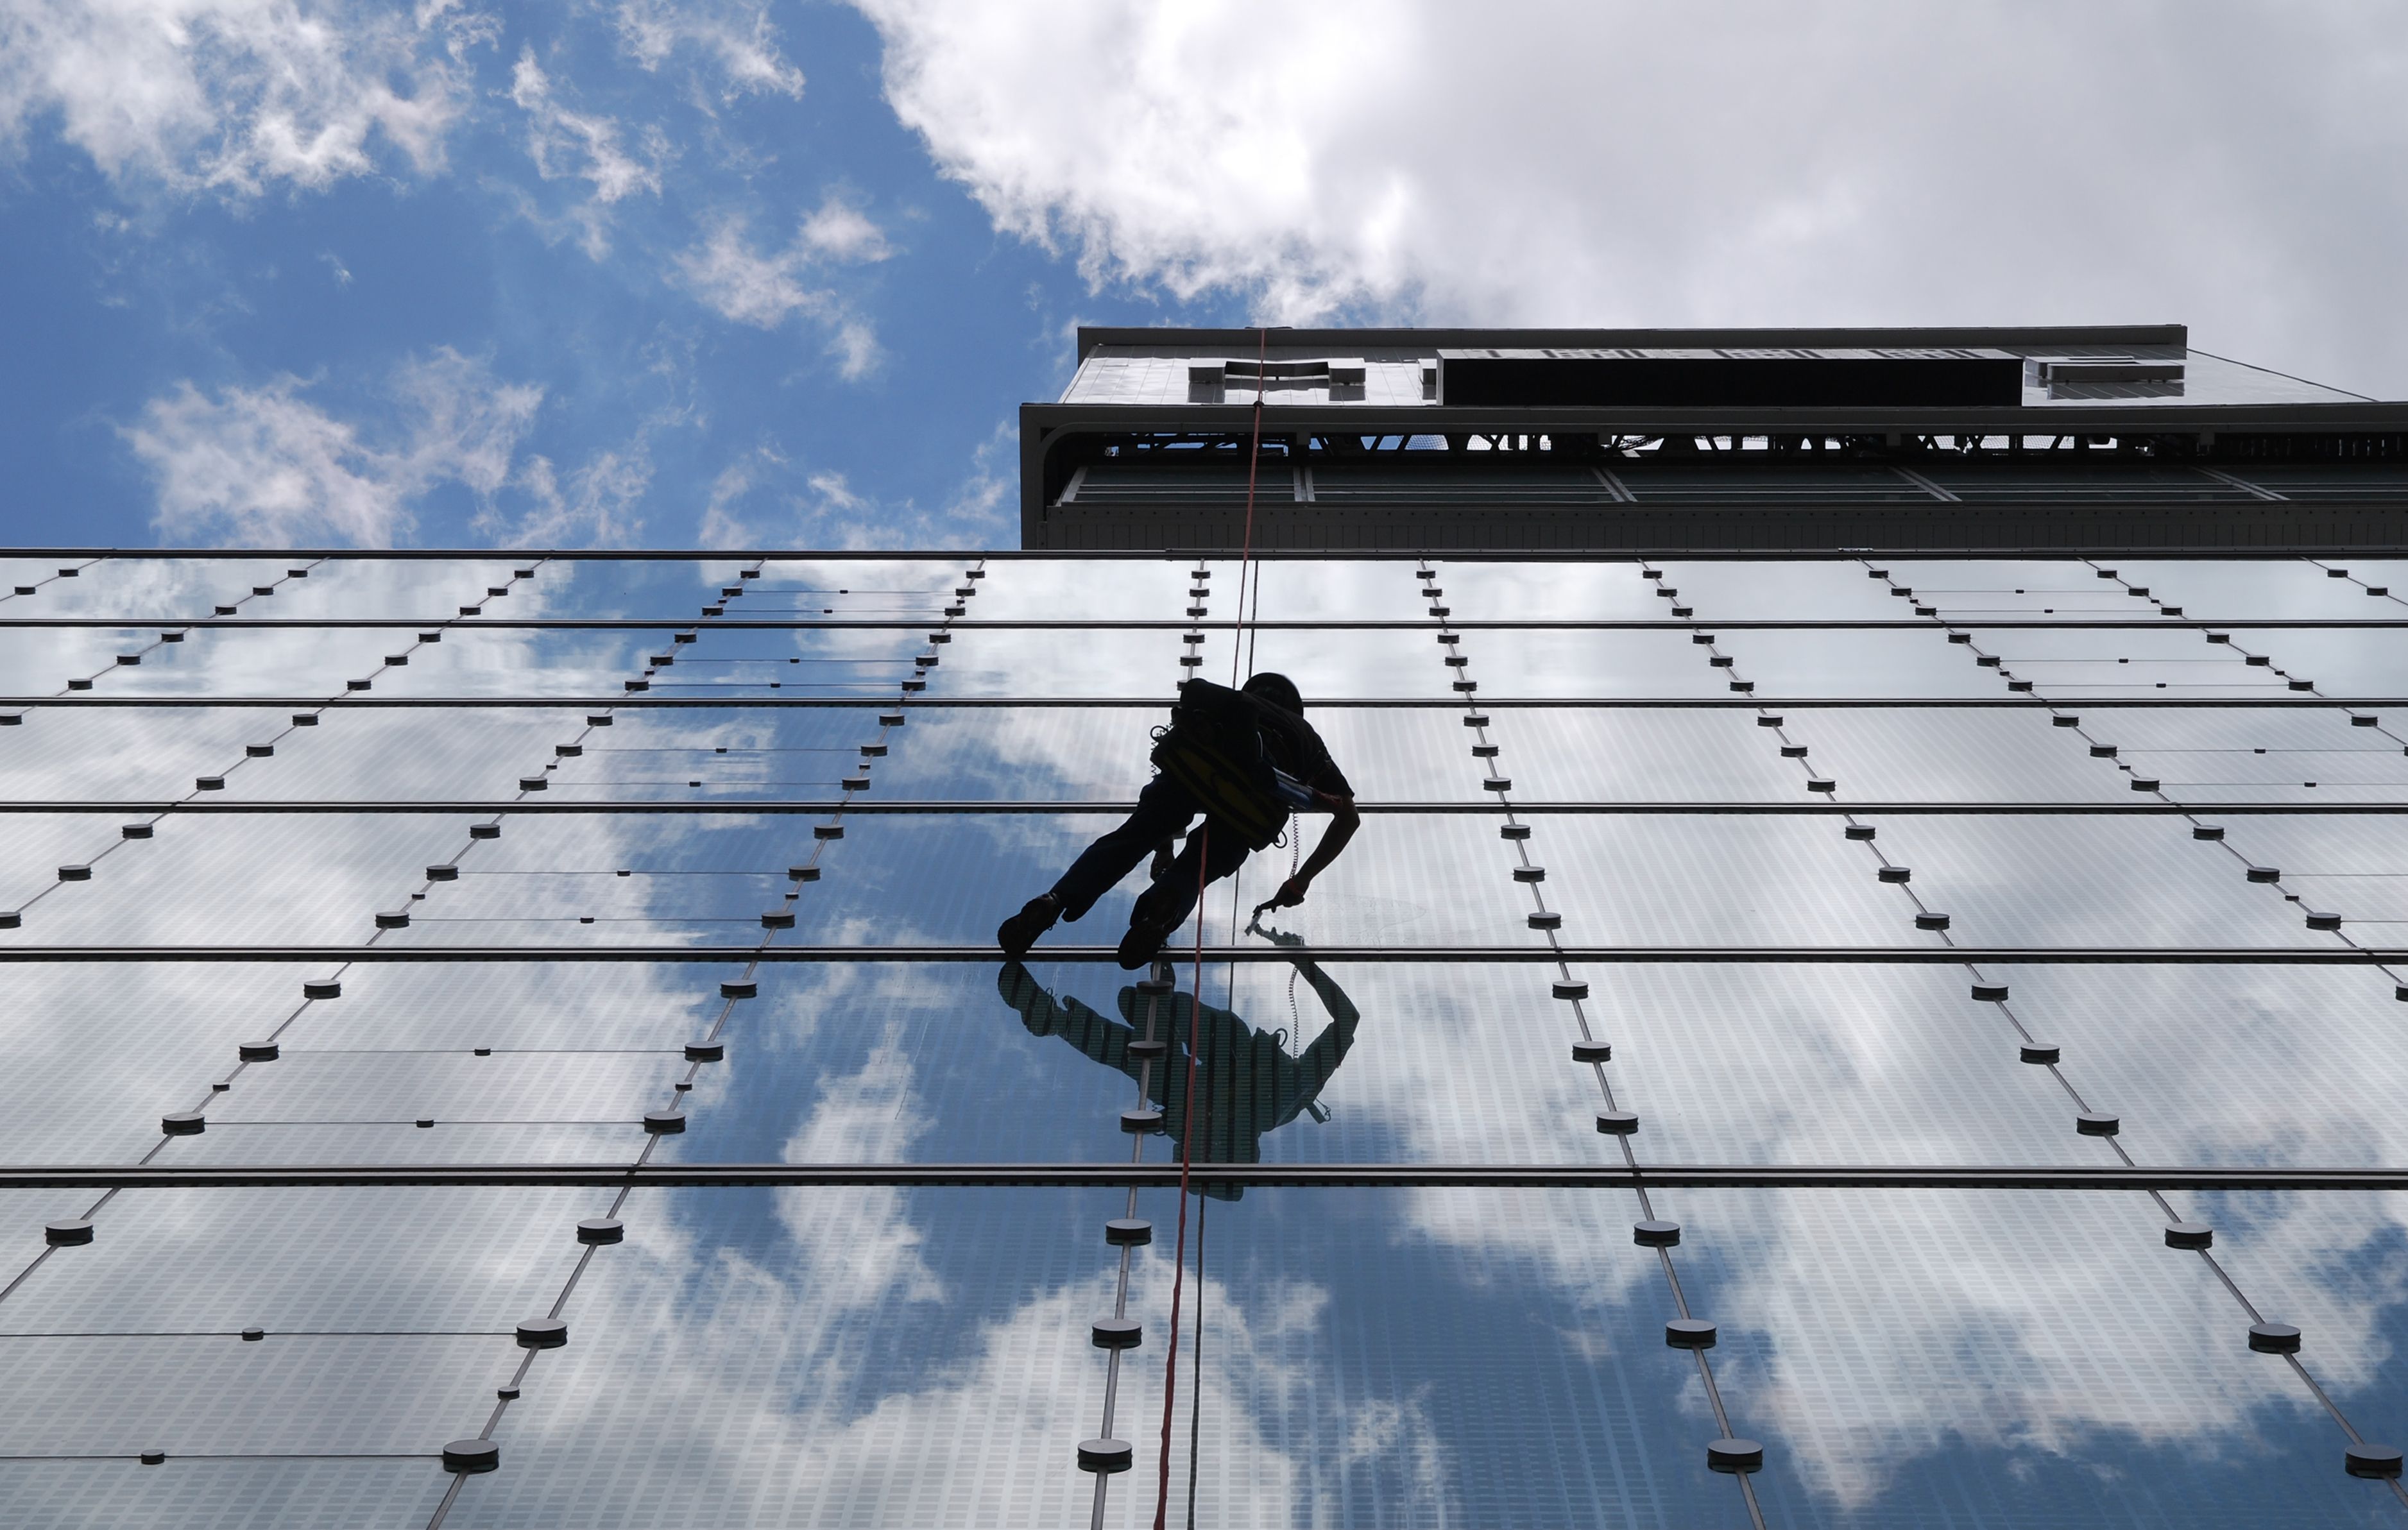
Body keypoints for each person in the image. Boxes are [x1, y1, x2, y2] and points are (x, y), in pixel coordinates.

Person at [996, 671, 1359, 968]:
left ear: (1254, 690)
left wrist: (1163, 845)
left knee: (1130, 839)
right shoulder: (1308, 739)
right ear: (1296, 708)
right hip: (1252, 806)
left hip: (1193, 772)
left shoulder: (1232, 704)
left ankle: (1054, 900)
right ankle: (1159, 915)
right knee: (1196, 868)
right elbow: (1348, 819)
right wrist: (1300, 881)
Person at [995, 925, 1360, 1198]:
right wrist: (1301, 960)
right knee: (1159, 1054)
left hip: (1197, 1068)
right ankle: (1151, 1012)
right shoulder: (1283, 1100)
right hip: (1220, 1056)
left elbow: (1348, 1021)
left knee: (1142, 1060)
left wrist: (1302, 960)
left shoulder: (1212, 1118)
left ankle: (1064, 1020)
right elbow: (1347, 1021)